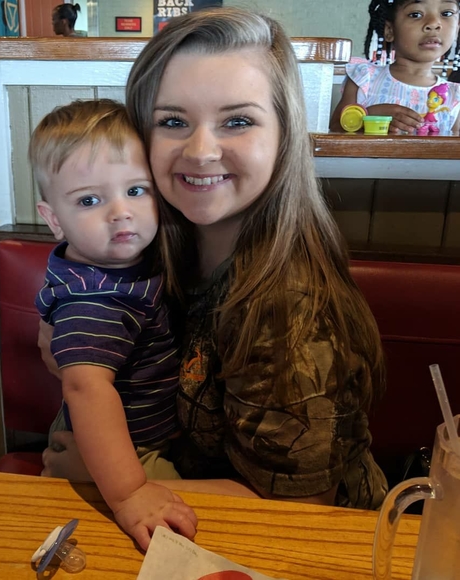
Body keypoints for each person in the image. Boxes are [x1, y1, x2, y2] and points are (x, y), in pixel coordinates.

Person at [41, 7, 388, 514]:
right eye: (173, 121)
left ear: (284, 136)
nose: (201, 150)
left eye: (238, 121)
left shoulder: (292, 309)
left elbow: (304, 505)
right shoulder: (149, 244)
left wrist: (110, 477)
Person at [29, 99, 197, 551]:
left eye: (137, 190)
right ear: (53, 219)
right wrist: (130, 493)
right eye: (89, 200)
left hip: (145, 432)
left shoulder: (122, 261)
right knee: (183, 533)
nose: (121, 211)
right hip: (125, 451)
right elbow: (86, 389)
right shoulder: (95, 298)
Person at [330, 0, 460, 135]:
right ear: (390, 30)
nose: (433, 23)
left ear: (457, 29)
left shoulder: (454, 96)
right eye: (415, 14)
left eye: (447, 13)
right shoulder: (364, 78)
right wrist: (368, 117)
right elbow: (335, 128)